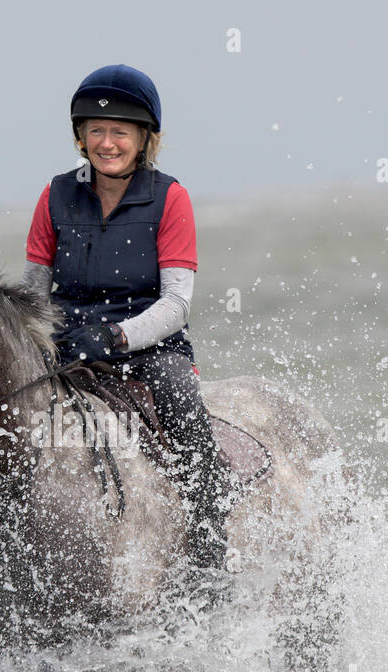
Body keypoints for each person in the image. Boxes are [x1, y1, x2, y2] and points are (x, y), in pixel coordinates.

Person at [22, 63, 232, 574]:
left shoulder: (170, 198)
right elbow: (33, 293)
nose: (107, 142)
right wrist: (54, 337)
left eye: (120, 131)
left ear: (144, 140)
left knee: (184, 407)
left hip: (150, 349)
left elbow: (176, 304)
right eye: (96, 130)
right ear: (80, 136)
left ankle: (209, 556)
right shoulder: (53, 196)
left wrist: (115, 337)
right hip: (68, 346)